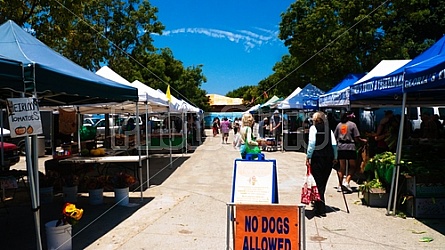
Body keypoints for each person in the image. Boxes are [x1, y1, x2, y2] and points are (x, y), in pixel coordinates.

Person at [305, 111, 338, 217]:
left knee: (318, 182)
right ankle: (320, 205)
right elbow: (334, 144)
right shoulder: (329, 130)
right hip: (328, 158)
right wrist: (335, 156)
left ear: (315, 120)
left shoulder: (313, 129)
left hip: (317, 158)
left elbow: (312, 143)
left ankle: (320, 208)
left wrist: (308, 156)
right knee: (322, 182)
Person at [334, 111, 367, 193]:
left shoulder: (339, 125)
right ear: (350, 117)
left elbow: (334, 137)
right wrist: (363, 141)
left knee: (342, 167)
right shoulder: (352, 125)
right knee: (353, 166)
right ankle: (346, 182)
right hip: (350, 147)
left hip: (340, 147)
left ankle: (339, 185)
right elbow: (357, 138)